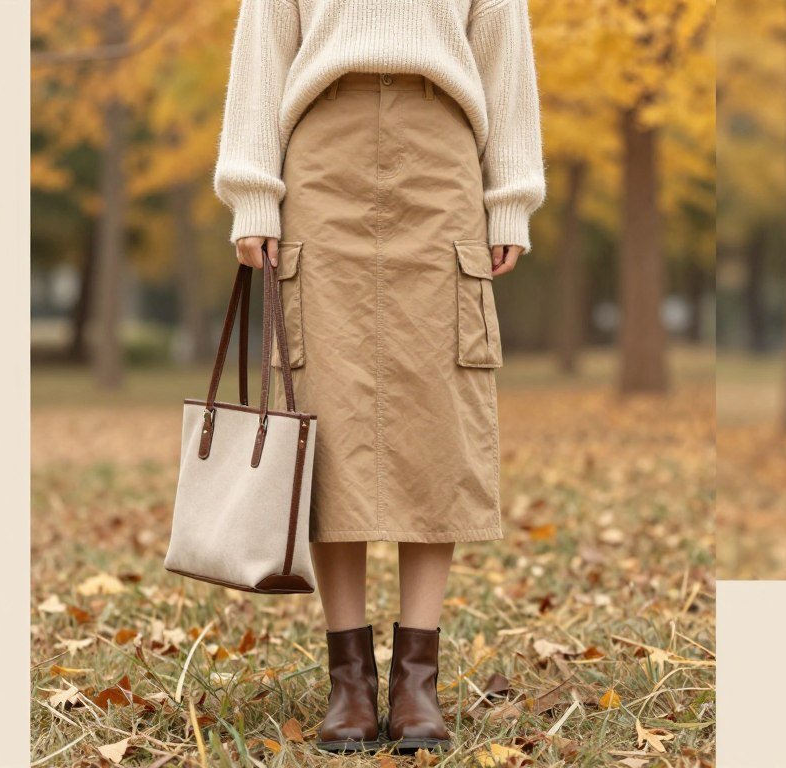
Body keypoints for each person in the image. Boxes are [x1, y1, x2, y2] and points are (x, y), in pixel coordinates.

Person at [211, 0, 546, 754]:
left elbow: (503, 49)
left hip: (443, 155)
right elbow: (265, 45)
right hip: (321, 156)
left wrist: (511, 198)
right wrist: (252, 190)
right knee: (327, 417)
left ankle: (416, 681)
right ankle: (350, 682)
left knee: (439, 413)